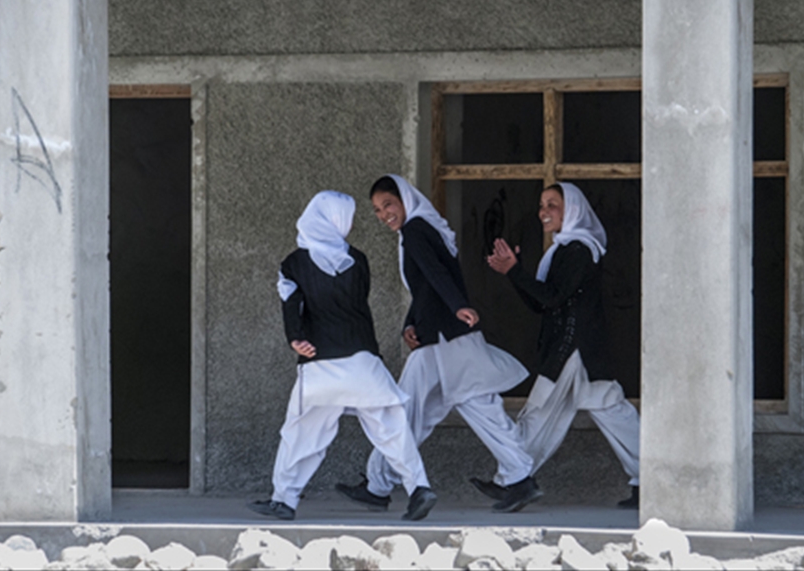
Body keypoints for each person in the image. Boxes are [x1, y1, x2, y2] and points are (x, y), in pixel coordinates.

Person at [336, 175, 542, 514]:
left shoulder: (416, 230)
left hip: (446, 338)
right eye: (376, 210)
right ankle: (379, 483)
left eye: (388, 204)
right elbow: (425, 289)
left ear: (404, 199)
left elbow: (436, 275)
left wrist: (458, 305)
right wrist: (411, 323)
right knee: (422, 411)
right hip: (438, 337)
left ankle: (519, 477)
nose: (383, 214)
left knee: (456, 406)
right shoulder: (417, 229)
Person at [246, 190, 438, 522]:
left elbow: (292, 306)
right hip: (363, 359)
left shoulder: (294, 263)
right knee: (390, 429)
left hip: (320, 362)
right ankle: (419, 487)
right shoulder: (358, 259)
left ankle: (284, 500)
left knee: (302, 434)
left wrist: (296, 339)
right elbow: (356, 303)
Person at [486, 182, 640, 509]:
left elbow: (553, 298)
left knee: (540, 413)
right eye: (542, 205)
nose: (544, 212)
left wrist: (515, 271)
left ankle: (514, 479)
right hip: (576, 350)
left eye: (553, 204)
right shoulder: (564, 249)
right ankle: (652, 479)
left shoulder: (578, 250)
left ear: (573, 209)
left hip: (572, 350)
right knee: (611, 414)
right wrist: (515, 273)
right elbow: (542, 304)